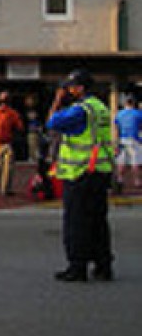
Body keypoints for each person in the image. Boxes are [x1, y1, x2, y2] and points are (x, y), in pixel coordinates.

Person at [46, 69, 115, 282]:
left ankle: (78, 266)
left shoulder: (79, 111)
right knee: (98, 221)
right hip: (100, 170)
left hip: (80, 172)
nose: (67, 90)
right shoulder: (100, 107)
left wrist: (57, 100)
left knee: (76, 222)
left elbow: (52, 122)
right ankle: (103, 265)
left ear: (80, 88)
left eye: (70, 87)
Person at [0, 91, 24, 195]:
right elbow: (19, 127)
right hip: (8, 141)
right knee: (8, 166)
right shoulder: (12, 113)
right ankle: (5, 188)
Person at [114, 92, 142, 191]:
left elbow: (117, 129)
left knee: (121, 162)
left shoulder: (119, 114)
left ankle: (120, 180)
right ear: (134, 103)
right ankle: (137, 181)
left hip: (122, 139)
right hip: (135, 139)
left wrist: (116, 142)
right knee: (136, 162)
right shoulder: (139, 114)